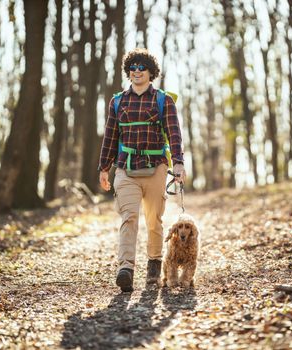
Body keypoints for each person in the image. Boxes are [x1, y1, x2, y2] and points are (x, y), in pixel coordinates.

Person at [98, 48, 186, 292]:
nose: (136, 71)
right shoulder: (117, 101)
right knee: (129, 218)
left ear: (151, 72)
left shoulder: (163, 100)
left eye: (142, 67)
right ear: (128, 71)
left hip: (156, 167)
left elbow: (174, 133)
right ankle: (125, 269)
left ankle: (154, 267)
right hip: (125, 169)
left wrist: (178, 162)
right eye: (132, 67)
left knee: (154, 221)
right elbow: (110, 136)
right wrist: (104, 167)